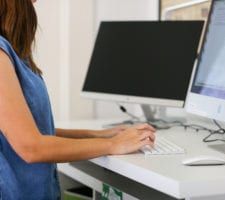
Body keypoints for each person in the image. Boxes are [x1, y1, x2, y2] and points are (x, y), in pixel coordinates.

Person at [0, 0, 156, 199]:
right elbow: (31, 147)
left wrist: (96, 135)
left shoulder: (14, 52)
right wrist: (114, 144)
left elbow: (31, 130)